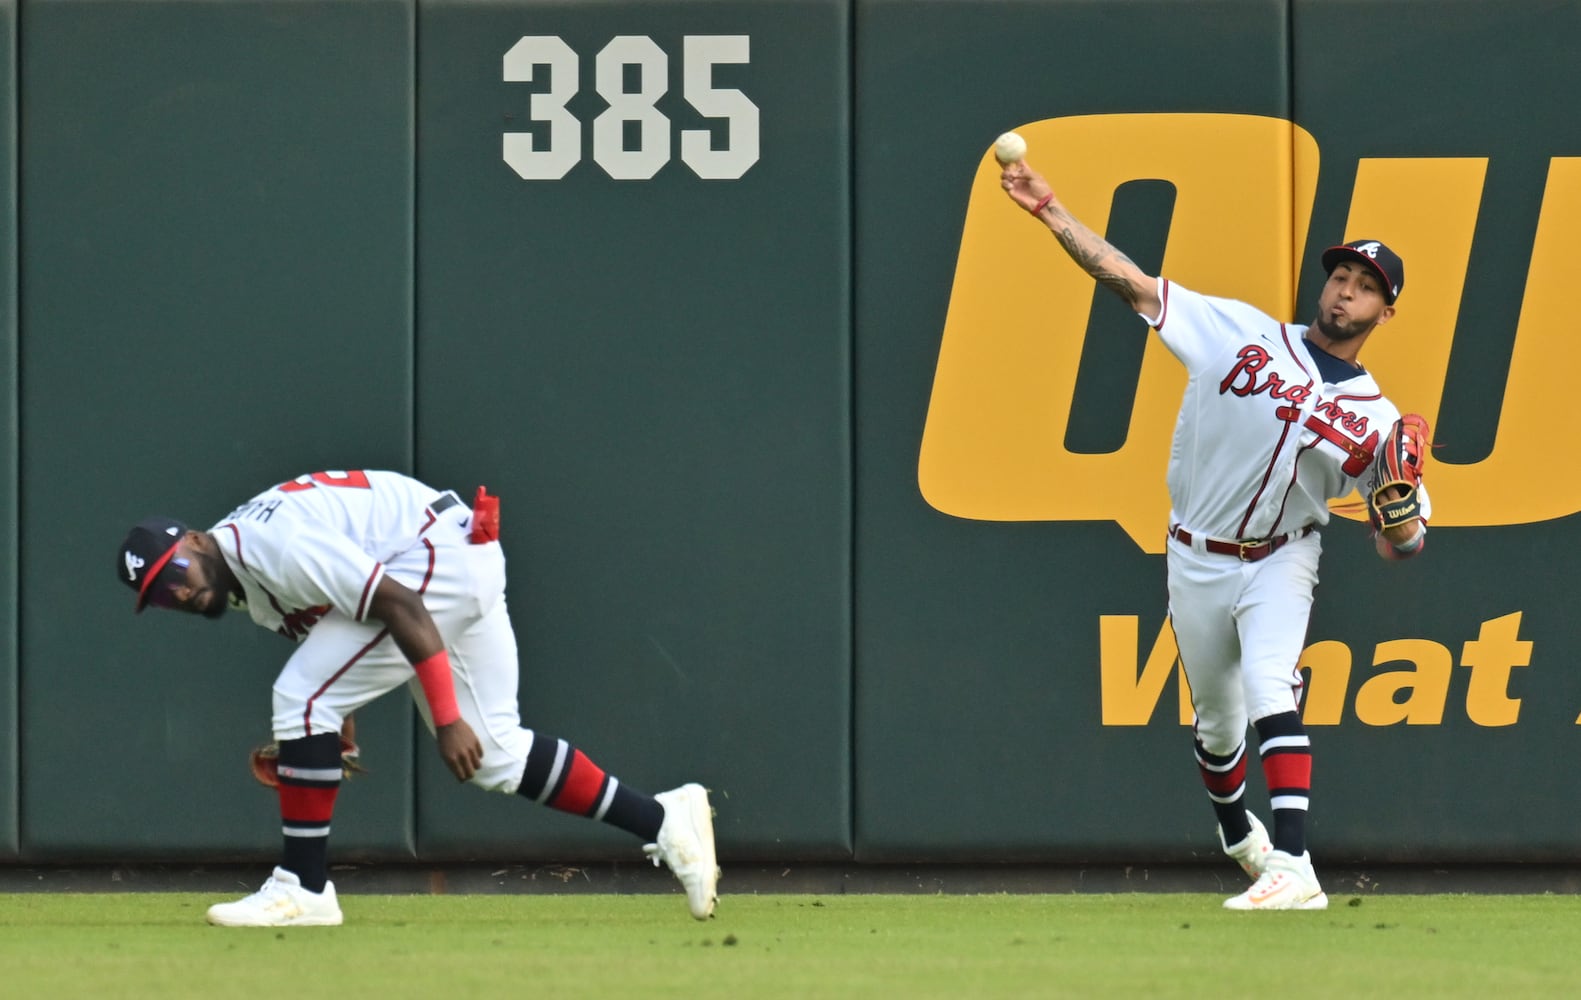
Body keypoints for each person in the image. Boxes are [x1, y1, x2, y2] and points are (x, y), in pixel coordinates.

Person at [1000, 159, 1429, 910]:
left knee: (1272, 684)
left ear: (1383, 312)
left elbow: (1401, 544)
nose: (1345, 289)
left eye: (1365, 285)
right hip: (1193, 553)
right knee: (1217, 727)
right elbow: (1128, 282)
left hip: (1282, 557)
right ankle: (1239, 836)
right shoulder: (1240, 332)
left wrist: (1397, 519)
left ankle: (1294, 867)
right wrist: (1051, 212)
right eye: (1340, 275)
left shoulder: (1377, 421)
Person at [116, 469, 719, 926]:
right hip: (458, 551)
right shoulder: (246, 579)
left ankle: (302, 887)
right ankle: (666, 819)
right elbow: (337, 633)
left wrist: (448, 719)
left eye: (175, 573)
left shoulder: (264, 544)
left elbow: (399, 606)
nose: (178, 593)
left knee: (299, 698)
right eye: (160, 595)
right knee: (496, 754)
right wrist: (333, 734)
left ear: (195, 539)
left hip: (435, 558)